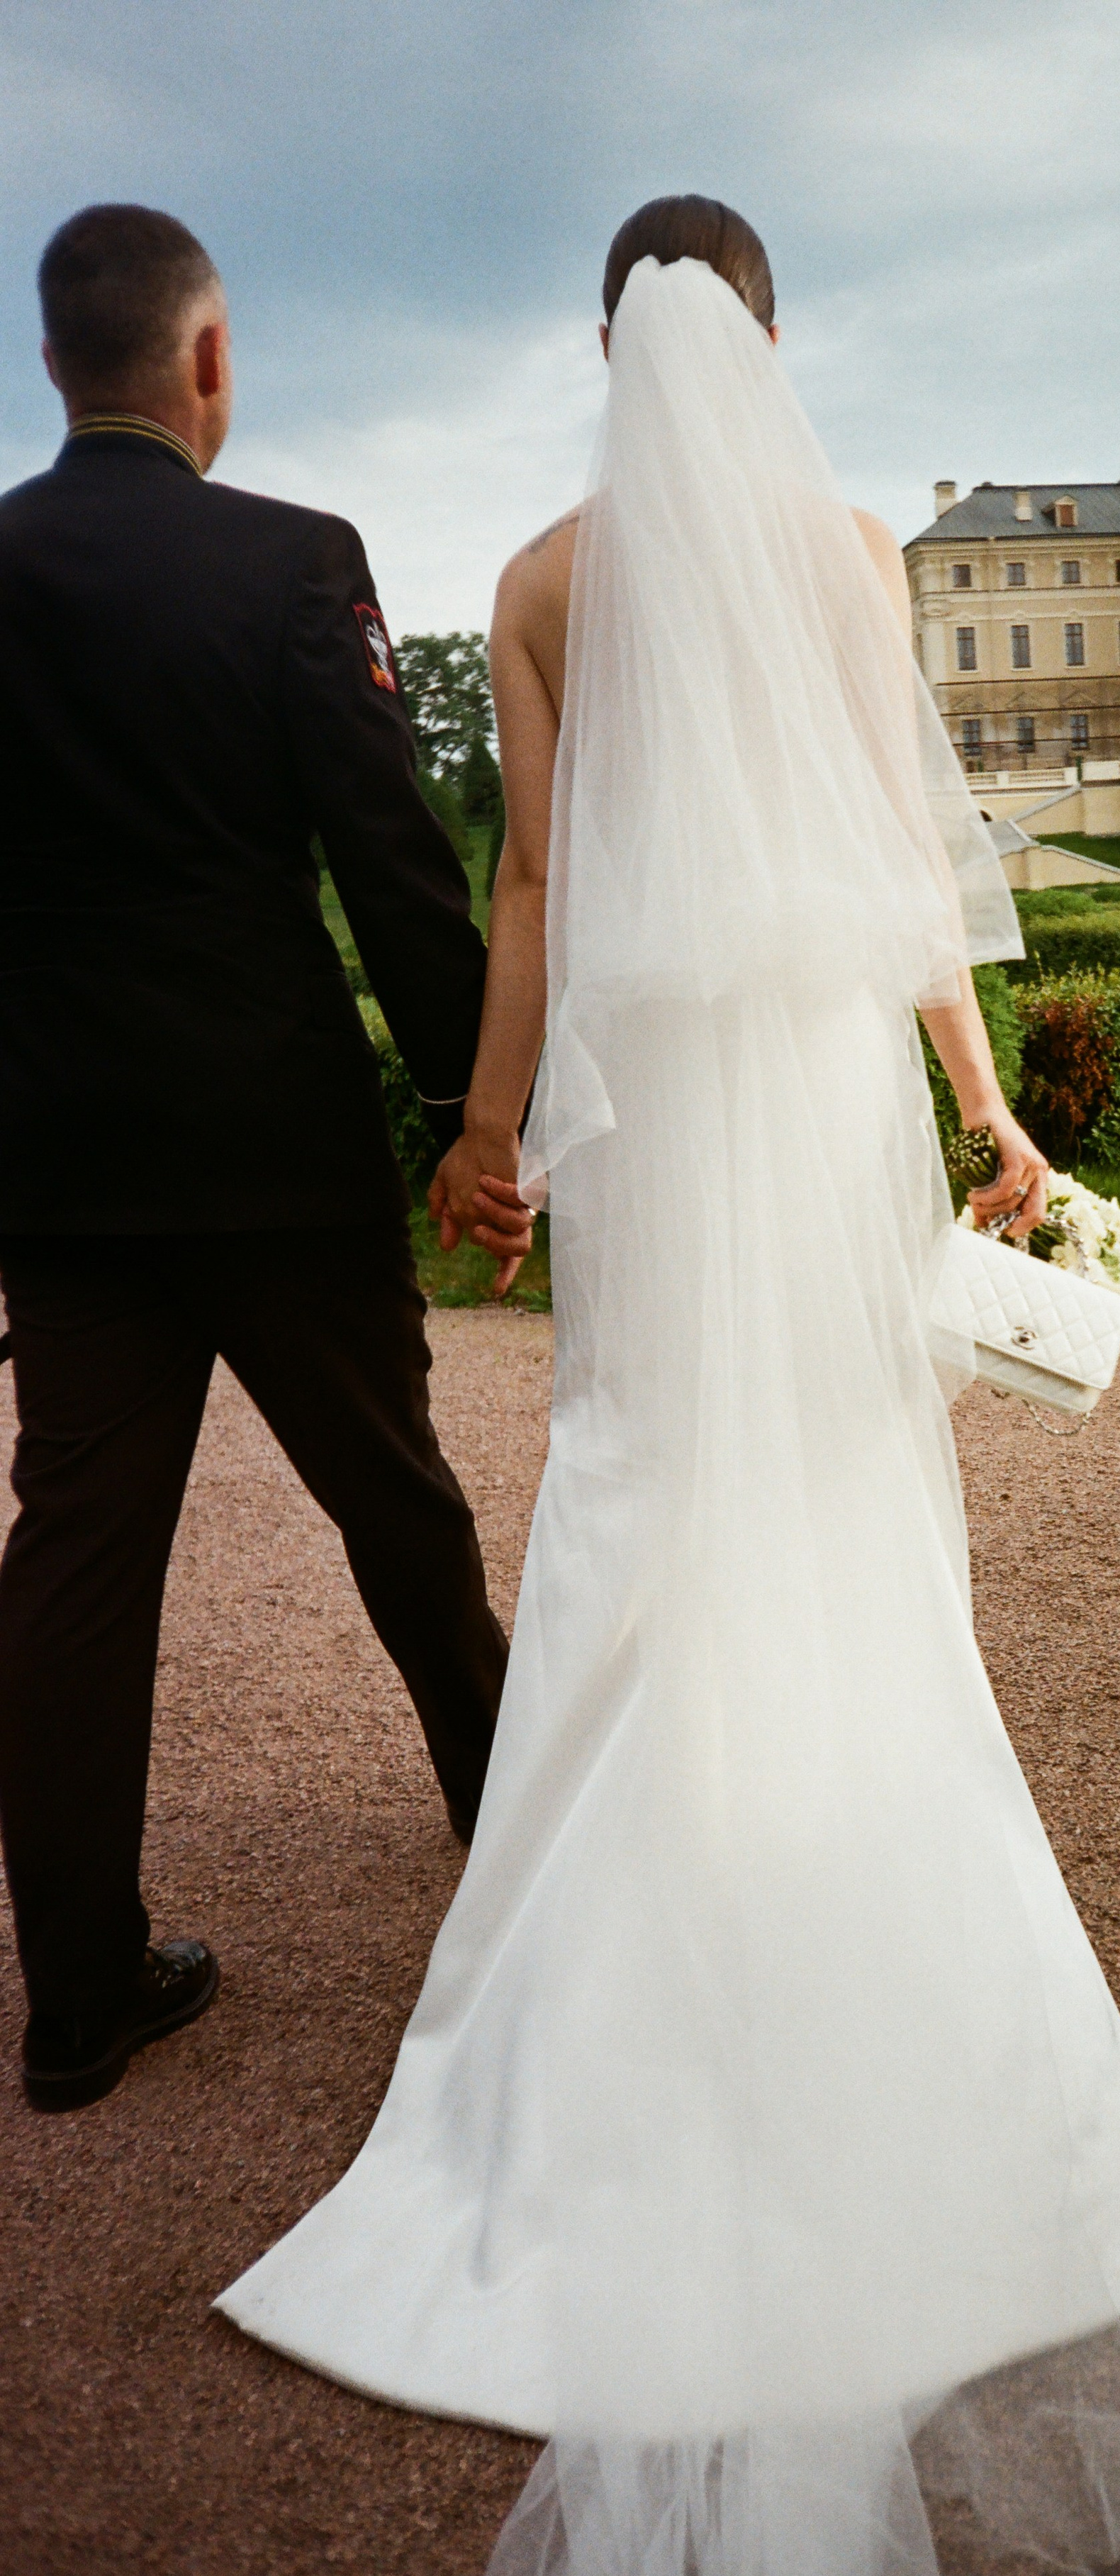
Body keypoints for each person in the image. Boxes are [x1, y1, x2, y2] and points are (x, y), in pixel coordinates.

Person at [218, 198, 1120, 2576]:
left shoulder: (544, 578)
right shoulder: (847, 548)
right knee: (852, 1523)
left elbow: (534, 882)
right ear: (766, 350)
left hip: (655, 1124)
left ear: (604, 351)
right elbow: (904, 865)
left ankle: (624, 1943)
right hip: (806, 1102)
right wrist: (984, 1114)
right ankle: (853, 1890)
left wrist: (494, 1148)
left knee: (646, 1509)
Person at [0, 206, 522, 2115]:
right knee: (399, 1507)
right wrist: (485, 1113)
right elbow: (392, 862)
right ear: (205, 359)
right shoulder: (299, 562)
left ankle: (75, 2002)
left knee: (71, 1565)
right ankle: (513, 1844)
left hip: (56, 1168)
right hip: (278, 1145)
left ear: (60, 362)